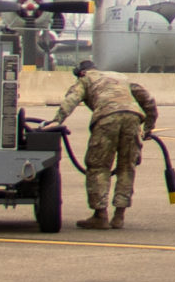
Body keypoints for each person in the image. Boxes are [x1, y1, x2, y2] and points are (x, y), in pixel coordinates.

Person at [50, 60, 158, 231]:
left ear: (82, 73)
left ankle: (100, 216)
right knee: (127, 166)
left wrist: (56, 120)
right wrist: (148, 128)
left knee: (98, 166)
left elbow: (72, 99)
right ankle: (119, 216)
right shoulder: (120, 77)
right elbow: (149, 100)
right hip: (133, 118)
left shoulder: (85, 80)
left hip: (107, 118)